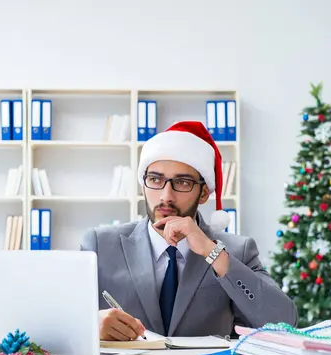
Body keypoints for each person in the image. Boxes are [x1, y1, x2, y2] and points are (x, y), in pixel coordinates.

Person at [80, 121, 297, 341]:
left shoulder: (237, 251)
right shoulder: (99, 244)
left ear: (203, 193)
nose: (166, 196)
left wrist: (212, 253)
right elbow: (57, 320)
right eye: (155, 179)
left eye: (182, 182)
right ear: (143, 185)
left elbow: (283, 323)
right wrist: (89, 323)